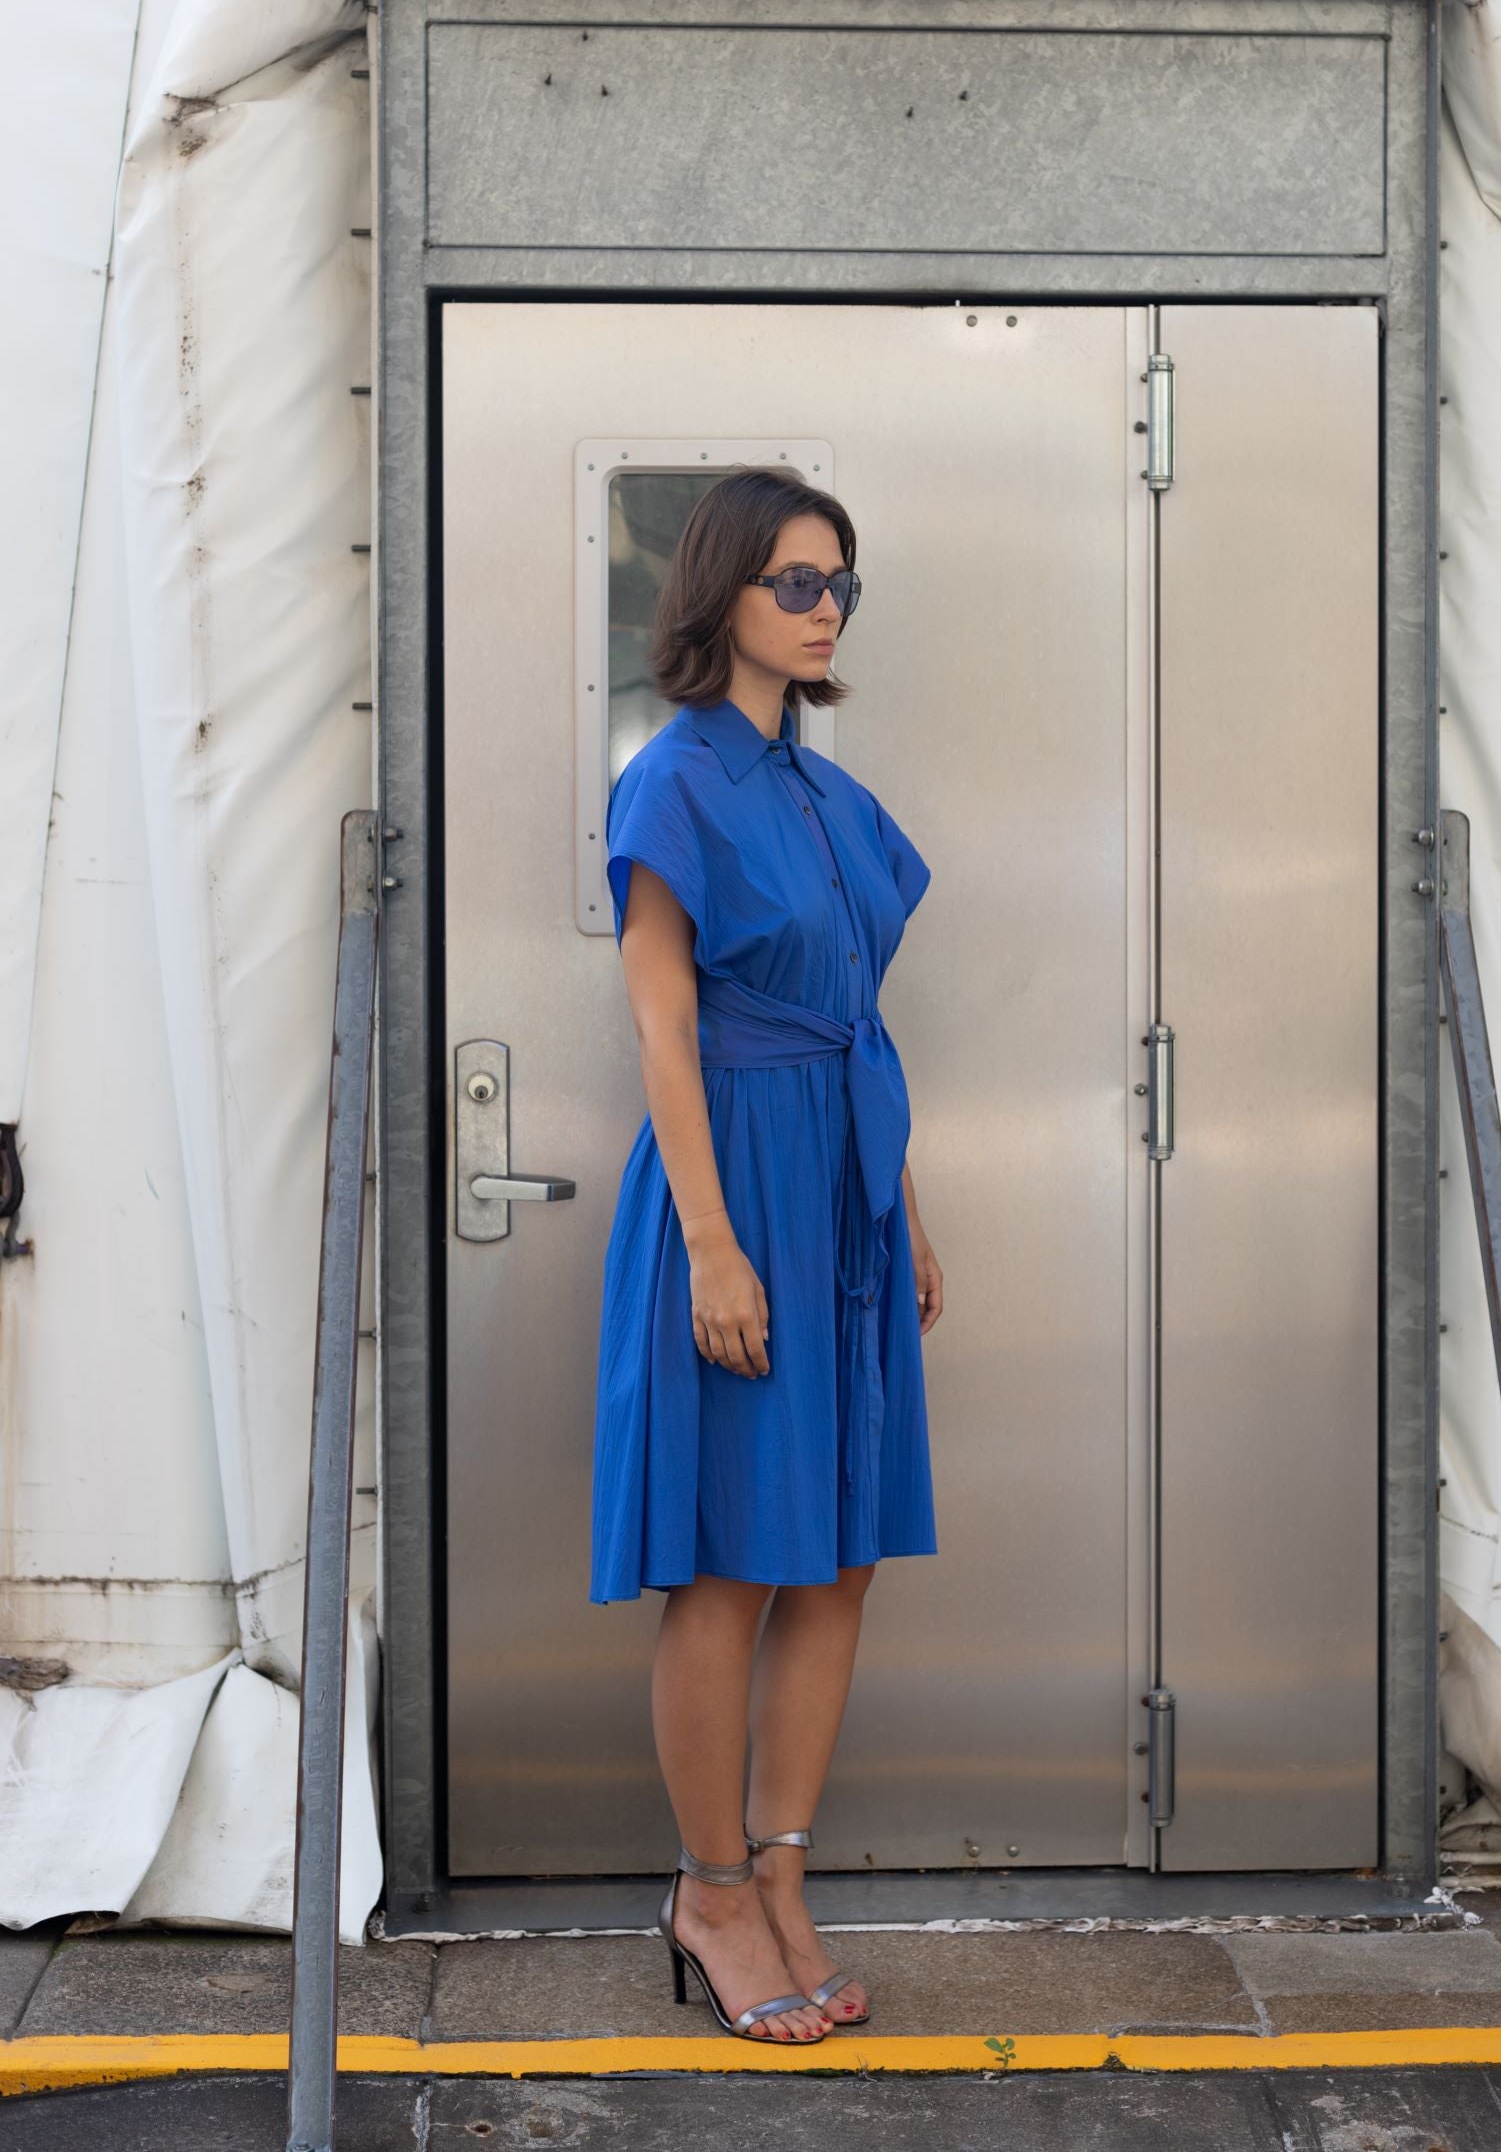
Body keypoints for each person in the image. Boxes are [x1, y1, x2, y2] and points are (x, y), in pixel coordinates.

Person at [590, 467, 944, 2044]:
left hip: (845, 1190)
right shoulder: (673, 781)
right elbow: (662, 1023)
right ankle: (711, 1891)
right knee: (734, 1559)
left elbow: (860, 1011)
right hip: (734, 1188)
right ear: (721, 589)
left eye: (840, 587)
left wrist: (906, 1203)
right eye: (796, 582)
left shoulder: (825, 791)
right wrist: (717, 1249)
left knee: (841, 1549)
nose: (823, 611)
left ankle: (785, 1868)